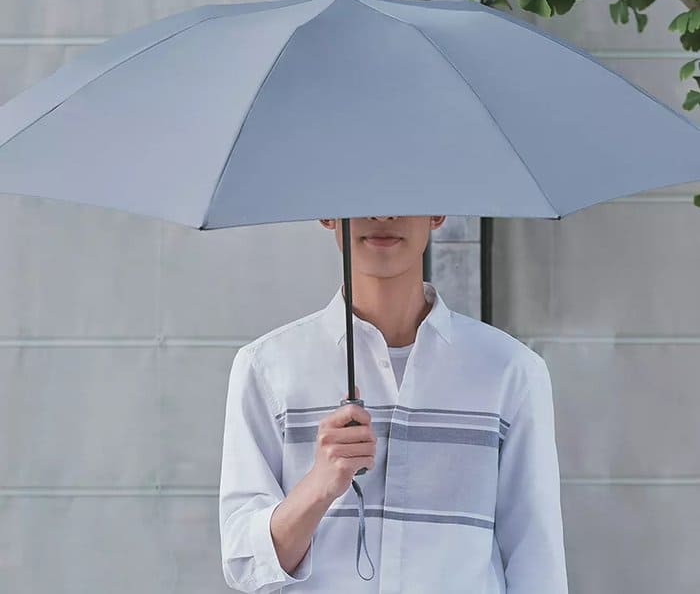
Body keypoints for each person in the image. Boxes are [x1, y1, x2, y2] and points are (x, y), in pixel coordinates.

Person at [219, 215, 569, 593]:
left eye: (402, 194)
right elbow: (246, 566)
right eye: (363, 195)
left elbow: (537, 564)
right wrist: (318, 487)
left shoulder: (511, 371)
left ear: (437, 212)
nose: (383, 215)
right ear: (328, 215)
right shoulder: (267, 368)